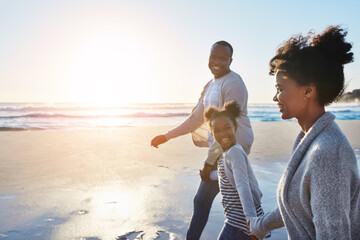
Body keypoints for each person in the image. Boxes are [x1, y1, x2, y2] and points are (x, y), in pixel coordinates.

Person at [248, 26, 360, 239]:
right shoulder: (310, 141)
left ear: (308, 90)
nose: (275, 97)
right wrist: (261, 226)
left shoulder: (328, 154)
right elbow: (299, 203)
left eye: (280, 88)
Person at [151, 41, 254, 239]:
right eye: (214, 56)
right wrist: (166, 136)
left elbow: (226, 130)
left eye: (223, 58)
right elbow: (195, 119)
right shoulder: (210, 85)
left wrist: (209, 164)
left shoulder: (234, 84)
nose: (217, 62)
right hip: (221, 153)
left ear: (230, 61)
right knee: (212, 202)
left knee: (238, 206)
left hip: (234, 152)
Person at [204, 101, 265, 240]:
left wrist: (251, 221)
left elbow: (243, 186)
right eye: (217, 130)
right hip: (235, 221)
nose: (223, 133)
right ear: (212, 134)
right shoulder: (225, 154)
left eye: (227, 128)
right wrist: (210, 174)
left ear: (235, 128)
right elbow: (225, 175)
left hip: (241, 224)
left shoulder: (235, 153)